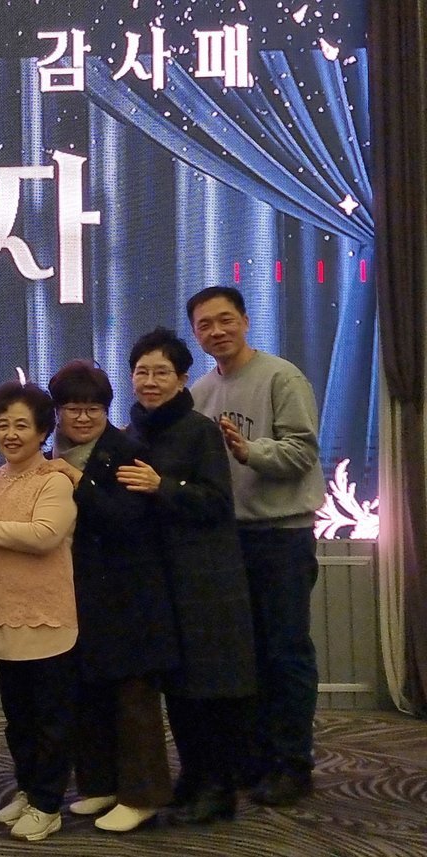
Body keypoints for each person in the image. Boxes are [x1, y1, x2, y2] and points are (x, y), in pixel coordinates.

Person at [187, 286, 325, 806]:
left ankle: (294, 764)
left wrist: (249, 452)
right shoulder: (201, 392)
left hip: (282, 536)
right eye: (205, 325)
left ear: (245, 321)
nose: (216, 331)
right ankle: (258, 760)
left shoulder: (281, 377)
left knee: (286, 652)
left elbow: (302, 453)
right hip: (229, 540)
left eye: (225, 320)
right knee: (246, 657)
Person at [118, 328, 256, 824]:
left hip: (203, 581)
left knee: (209, 689)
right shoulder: (131, 434)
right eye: (142, 372)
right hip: (156, 581)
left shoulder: (200, 431)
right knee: (177, 689)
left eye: (161, 372)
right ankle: (192, 778)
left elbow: (216, 503)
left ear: (181, 379)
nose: (150, 381)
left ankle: (219, 788)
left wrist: (162, 486)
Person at [44, 360, 179, 833]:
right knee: (89, 693)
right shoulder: (51, 452)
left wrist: (79, 483)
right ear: (58, 411)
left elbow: (128, 521)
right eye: (73, 408)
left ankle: (142, 796)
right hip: (77, 593)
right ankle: (100, 784)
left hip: (128, 595)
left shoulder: (127, 452)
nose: (83, 418)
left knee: (133, 699)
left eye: (94, 408)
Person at [0, 381, 77, 844]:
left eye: (22, 425)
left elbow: (45, 535)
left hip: (48, 616)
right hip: (4, 615)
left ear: (43, 431)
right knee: (19, 720)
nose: (10, 434)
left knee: (51, 720)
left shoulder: (54, 481)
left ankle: (48, 805)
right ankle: (28, 790)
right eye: (3, 424)